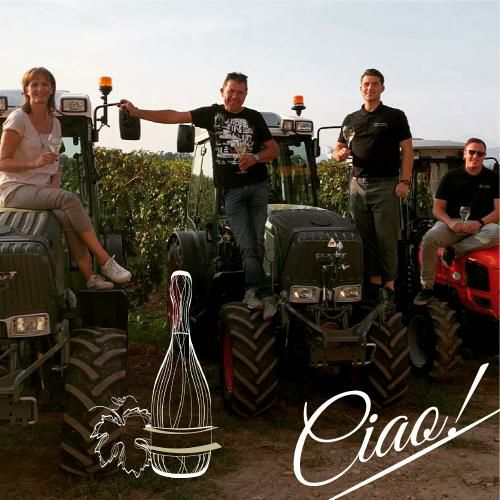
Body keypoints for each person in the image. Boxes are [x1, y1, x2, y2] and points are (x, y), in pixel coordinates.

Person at [119, 72, 279, 319]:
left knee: (260, 242)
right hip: (233, 192)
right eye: (231, 91)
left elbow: (273, 149)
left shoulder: (254, 117)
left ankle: (262, 292)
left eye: (240, 92)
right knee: (248, 244)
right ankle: (256, 292)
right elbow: (174, 116)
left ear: (246, 94)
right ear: (222, 92)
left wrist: (256, 157)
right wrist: (138, 112)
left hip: (258, 187)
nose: (235, 96)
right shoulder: (211, 114)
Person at [0, 67, 131, 290]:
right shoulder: (18, 118)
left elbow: (55, 162)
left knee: (66, 218)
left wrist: (53, 182)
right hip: (15, 189)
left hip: (41, 190)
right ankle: (105, 261)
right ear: (26, 90)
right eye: (34, 84)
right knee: (69, 199)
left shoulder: (55, 123)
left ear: (52, 89)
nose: (40, 88)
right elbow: (3, 161)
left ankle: (90, 278)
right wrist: (34, 164)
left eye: (45, 84)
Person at [333, 68, 413, 299]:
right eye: (366, 84)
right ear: (360, 88)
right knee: (363, 238)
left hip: (386, 185)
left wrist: (404, 181)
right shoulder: (351, 119)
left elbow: (407, 151)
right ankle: (374, 285)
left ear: (382, 88)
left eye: (375, 84)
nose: (370, 88)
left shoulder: (395, 116)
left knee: (386, 239)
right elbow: (339, 149)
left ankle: (390, 287)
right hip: (358, 185)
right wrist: (339, 154)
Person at [413, 138, 499, 305]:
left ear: (484, 156)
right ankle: (427, 287)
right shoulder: (451, 177)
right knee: (429, 239)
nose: (475, 156)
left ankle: (454, 250)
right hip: (452, 224)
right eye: (472, 152)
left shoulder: (493, 178)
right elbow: (437, 209)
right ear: (465, 154)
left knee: (496, 232)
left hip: (479, 226)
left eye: (480, 153)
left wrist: (479, 223)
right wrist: (450, 223)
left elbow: (498, 211)